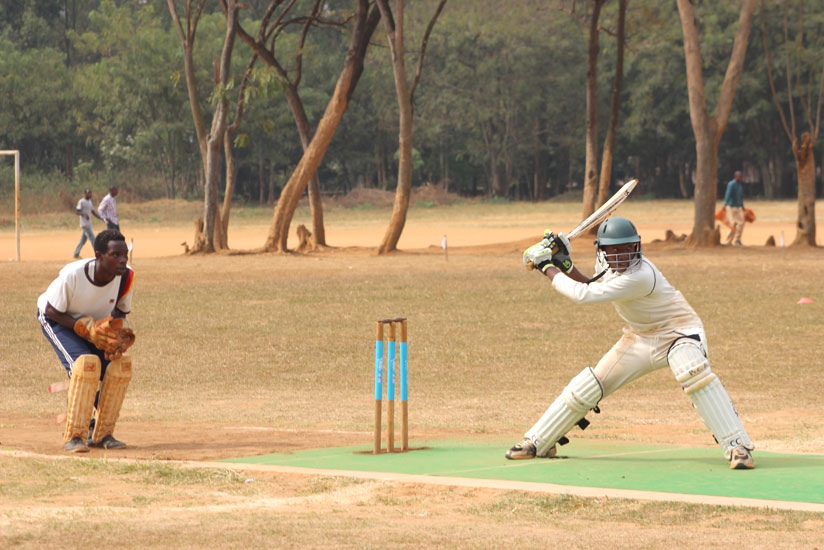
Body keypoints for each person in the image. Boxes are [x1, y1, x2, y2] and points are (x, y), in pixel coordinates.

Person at [511, 217, 755, 469]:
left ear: (636, 247)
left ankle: (738, 446)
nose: (621, 254)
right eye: (613, 249)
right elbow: (589, 284)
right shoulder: (606, 265)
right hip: (639, 337)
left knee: (691, 371)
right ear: (602, 250)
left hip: (678, 333)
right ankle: (538, 441)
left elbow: (583, 295)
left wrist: (545, 266)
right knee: (590, 385)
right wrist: (563, 263)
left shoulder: (641, 275)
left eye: (626, 247)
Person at [37, 229, 136, 453]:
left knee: (115, 371)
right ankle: (75, 436)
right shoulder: (74, 274)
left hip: (97, 324)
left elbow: (120, 312)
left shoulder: (127, 276)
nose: (122, 260)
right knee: (85, 367)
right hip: (59, 320)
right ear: (99, 255)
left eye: (125, 255)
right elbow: (52, 310)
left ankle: (102, 434)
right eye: (116, 255)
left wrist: (115, 337)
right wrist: (83, 328)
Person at [73, 188, 103, 258]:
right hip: (84, 224)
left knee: (83, 240)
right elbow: (77, 211)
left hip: (88, 223)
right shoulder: (81, 201)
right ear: (85, 193)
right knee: (93, 239)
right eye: (88, 193)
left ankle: (76, 254)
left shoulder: (89, 202)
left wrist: (100, 218)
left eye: (90, 193)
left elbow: (93, 212)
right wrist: (84, 214)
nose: (90, 194)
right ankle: (97, 253)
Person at [723, 171, 745, 246]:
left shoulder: (739, 185)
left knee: (734, 223)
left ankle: (729, 241)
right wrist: (725, 204)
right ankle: (737, 240)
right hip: (732, 207)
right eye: (740, 177)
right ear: (736, 176)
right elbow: (728, 194)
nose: (741, 178)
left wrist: (742, 206)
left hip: (737, 207)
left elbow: (740, 197)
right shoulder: (731, 184)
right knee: (741, 222)